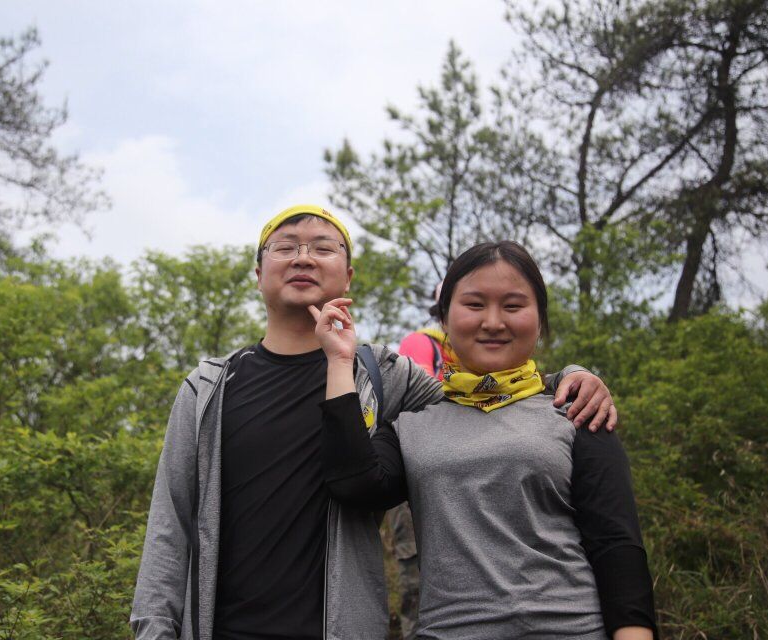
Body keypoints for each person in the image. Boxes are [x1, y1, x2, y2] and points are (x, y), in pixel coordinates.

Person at [130, 206, 618, 640]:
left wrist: (565, 379)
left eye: (323, 248)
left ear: (348, 277)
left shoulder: (385, 375)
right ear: (259, 274)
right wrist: (154, 629)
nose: (303, 258)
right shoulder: (210, 388)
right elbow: (171, 521)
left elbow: (482, 398)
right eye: (286, 247)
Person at [313, 240, 658, 639]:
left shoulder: (577, 410)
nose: (493, 322)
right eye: (474, 305)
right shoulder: (412, 427)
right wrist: (340, 362)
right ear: (444, 319)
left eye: (513, 306)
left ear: (540, 321)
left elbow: (617, 545)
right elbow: (353, 483)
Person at [387, 284, 450, 640]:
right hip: (416, 475)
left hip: (456, 475)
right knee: (416, 573)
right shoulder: (421, 343)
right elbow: (422, 402)